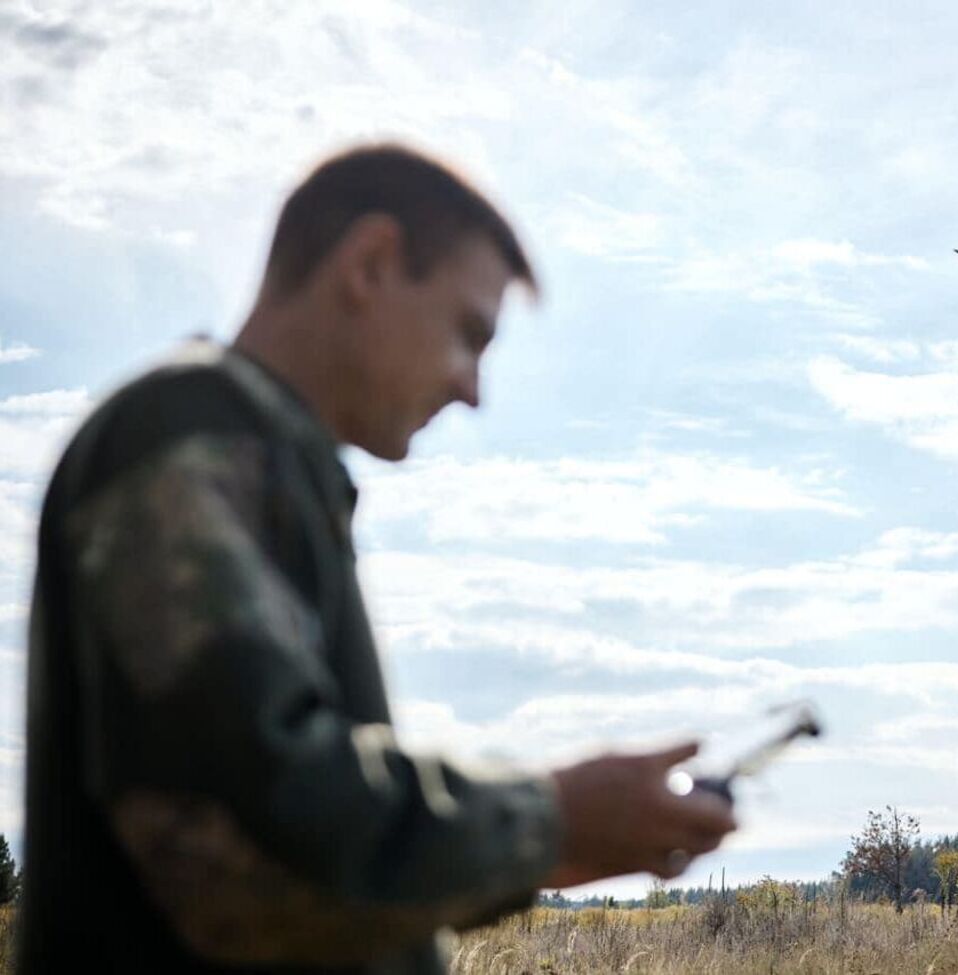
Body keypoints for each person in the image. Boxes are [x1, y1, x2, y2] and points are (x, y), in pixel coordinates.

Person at [17, 144, 737, 974]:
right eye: (470, 333)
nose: (473, 389)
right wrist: (554, 820)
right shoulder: (189, 433)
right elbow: (258, 842)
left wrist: (567, 845)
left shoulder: (262, 457)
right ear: (371, 263)